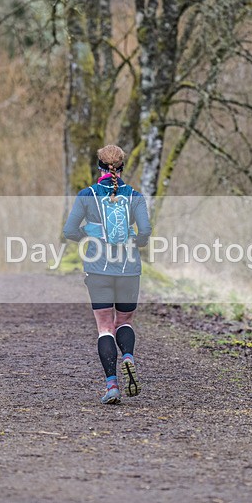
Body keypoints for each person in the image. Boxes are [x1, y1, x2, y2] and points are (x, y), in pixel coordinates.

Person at [62, 144, 152, 404]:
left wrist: (89, 239)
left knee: (104, 328)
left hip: (98, 269)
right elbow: (145, 230)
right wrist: (137, 242)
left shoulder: (86, 195)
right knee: (124, 323)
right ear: (122, 168)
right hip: (128, 270)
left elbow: (69, 230)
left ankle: (112, 386)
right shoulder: (135, 196)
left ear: (99, 166)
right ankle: (128, 357)